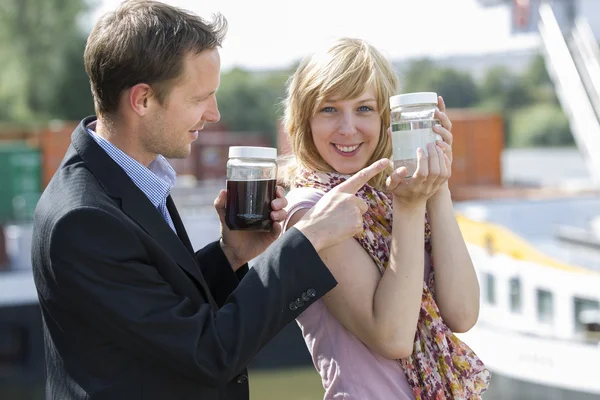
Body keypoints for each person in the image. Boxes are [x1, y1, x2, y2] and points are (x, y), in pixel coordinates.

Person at [30, 2, 391, 399]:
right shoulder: (82, 219)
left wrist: (228, 255)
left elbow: (161, 307)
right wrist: (306, 239)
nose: (214, 114)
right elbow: (207, 352)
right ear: (143, 100)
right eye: (200, 98)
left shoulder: (124, 177)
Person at [280, 38, 491, 399]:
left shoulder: (389, 196)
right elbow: (392, 337)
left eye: (364, 109)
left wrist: (436, 188)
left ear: (386, 119)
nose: (348, 129)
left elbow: (463, 313)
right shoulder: (310, 210)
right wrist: (409, 209)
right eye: (330, 110)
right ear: (304, 120)